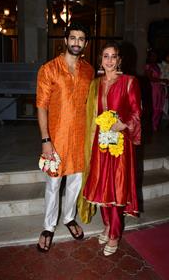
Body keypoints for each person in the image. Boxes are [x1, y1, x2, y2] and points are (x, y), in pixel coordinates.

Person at [77, 41, 142, 256]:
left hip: (120, 145)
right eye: (106, 56)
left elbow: (136, 112)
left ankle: (114, 234)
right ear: (101, 60)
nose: (110, 60)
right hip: (100, 143)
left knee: (117, 188)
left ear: (120, 60)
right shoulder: (95, 83)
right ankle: (106, 225)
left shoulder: (129, 82)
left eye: (114, 56)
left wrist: (123, 124)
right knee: (102, 186)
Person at [36, 21, 94, 252]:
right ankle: (49, 226)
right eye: (73, 38)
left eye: (81, 39)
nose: (76, 42)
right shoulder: (48, 69)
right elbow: (41, 106)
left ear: (86, 43)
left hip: (80, 137)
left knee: (75, 183)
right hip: (56, 138)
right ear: (65, 40)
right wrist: (45, 139)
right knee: (53, 183)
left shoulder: (89, 70)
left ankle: (69, 217)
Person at [144, 50, 168, 131]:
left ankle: (155, 125)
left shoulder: (157, 66)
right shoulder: (148, 65)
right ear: (149, 56)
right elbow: (150, 78)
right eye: (152, 55)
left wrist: (163, 81)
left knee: (159, 106)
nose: (154, 57)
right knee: (154, 106)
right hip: (153, 87)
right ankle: (151, 125)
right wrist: (162, 80)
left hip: (159, 87)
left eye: (155, 55)